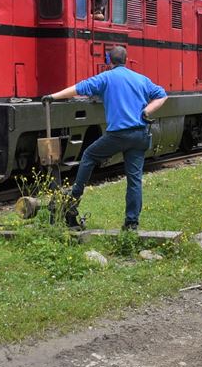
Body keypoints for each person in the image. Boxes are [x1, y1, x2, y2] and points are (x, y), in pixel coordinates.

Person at [42, 45, 166, 231]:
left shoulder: (106, 78)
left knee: (89, 156)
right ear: (126, 59)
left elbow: (79, 88)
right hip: (140, 134)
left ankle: (74, 197)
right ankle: (131, 223)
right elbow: (162, 95)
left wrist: (52, 96)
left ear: (109, 61)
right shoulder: (141, 79)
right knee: (134, 180)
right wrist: (147, 111)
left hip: (118, 135)